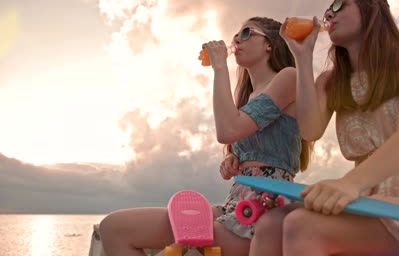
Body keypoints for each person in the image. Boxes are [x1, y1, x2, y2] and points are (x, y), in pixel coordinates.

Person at [249, 0, 399, 255]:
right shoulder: (330, 80)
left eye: (339, 4)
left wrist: (349, 183)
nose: (328, 14)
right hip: (363, 193)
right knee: (270, 223)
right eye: (327, 9)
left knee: (302, 225)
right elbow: (309, 130)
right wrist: (302, 57)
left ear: (371, 7)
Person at [98, 16, 312, 256]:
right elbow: (240, 138)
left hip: (266, 211)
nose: (236, 41)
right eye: (235, 36)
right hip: (234, 203)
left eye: (246, 33)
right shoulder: (246, 100)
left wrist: (220, 67)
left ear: (269, 44)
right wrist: (235, 161)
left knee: (188, 238)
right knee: (114, 228)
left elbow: (227, 131)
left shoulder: (288, 77)